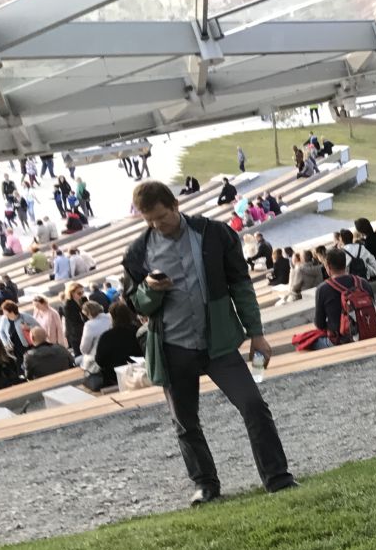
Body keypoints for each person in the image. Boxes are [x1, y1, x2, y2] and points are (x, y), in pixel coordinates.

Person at [121, 180, 294, 506]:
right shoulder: (138, 251)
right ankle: (205, 484)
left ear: (174, 205)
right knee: (185, 422)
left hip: (219, 342)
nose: (157, 225)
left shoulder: (214, 234)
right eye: (149, 221)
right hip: (173, 346)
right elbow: (136, 305)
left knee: (254, 405)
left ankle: (278, 477)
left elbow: (240, 285)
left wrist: (256, 334)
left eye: (161, 217)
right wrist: (150, 291)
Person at [92, 300, 144, 388]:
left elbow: (99, 360)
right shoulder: (138, 331)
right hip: (140, 373)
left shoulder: (106, 336)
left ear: (112, 317)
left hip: (115, 377)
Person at [62, 283, 89, 355]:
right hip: (76, 335)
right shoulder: (68, 305)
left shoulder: (84, 299)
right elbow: (73, 322)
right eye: (79, 293)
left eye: (83, 292)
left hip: (86, 330)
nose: (82, 295)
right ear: (72, 293)